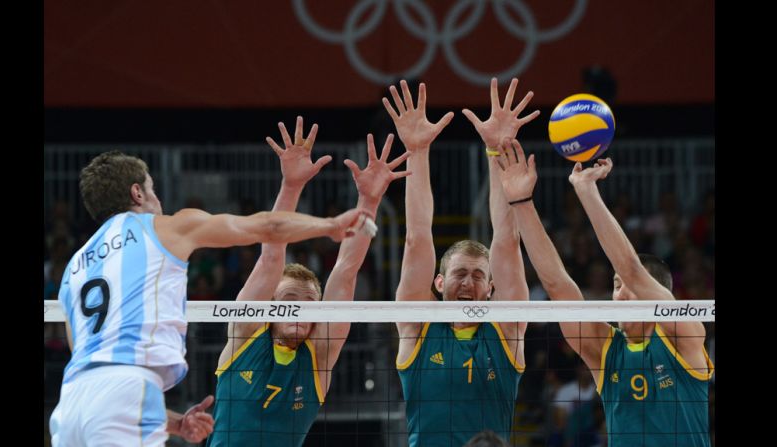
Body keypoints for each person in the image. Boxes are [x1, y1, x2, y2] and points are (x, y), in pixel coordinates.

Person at [49, 147, 373, 446]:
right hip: (128, 389)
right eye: (152, 189)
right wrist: (328, 225)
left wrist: (176, 425)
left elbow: (97, 372)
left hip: (72, 402)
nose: (158, 201)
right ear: (137, 192)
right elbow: (265, 228)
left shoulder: (74, 269)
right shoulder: (167, 227)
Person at [494, 138, 714, 446]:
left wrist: (587, 190)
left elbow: (632, 270)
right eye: (614, 286)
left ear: (660, 295)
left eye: (628, 289)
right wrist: (521, 203)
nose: (620, 295)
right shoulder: (605, 348)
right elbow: (558, 286)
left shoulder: (684, 334)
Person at [207, 117, 410, 446]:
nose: (298, 310)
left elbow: (345, 270)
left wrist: (369, 201)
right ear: (271, 307)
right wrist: (291, 186)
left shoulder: (318, 356)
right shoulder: (245, 333)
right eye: (289, 300)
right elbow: (272, 256)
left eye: (308, 304)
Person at [384, 78, 537, 446]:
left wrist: (497, 150)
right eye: (459, 274)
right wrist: (417, 152)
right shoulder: (417, 327)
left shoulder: (507, 331)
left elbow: (506, 242)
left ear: (491, 288)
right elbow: (417, 237)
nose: (468, 283)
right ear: (439, 283)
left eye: (477, 275)